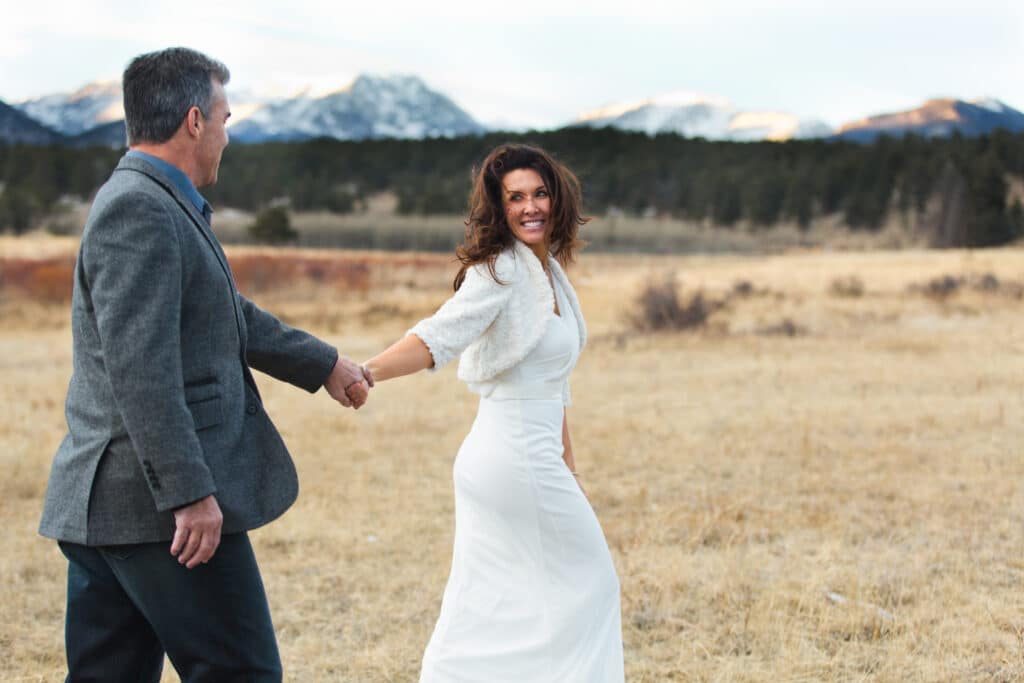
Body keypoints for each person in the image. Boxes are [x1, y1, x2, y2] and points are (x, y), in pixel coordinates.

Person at [38, 47, 371, 682]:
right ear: (194, 121)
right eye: (223, 117)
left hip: (121, 508)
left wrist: (323, 363)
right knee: (241, 672)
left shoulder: (160, 201)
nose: (226, 134)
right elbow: (143, 371)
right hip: (155, 509)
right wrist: (190, 496)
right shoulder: (140, 209)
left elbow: (226, 313)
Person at [363, 143, 624, 681]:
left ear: (558, 200)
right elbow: (438, 335)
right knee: (592, 583)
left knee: (506, 597)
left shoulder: (546, 270)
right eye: (515, 198)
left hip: (524, 458)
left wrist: (569, 467)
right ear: (498, 208)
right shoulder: (501, 271)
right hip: (513, 460)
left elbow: (555, 385)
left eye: (539, 193)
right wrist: (366, 373)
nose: (531, 207)